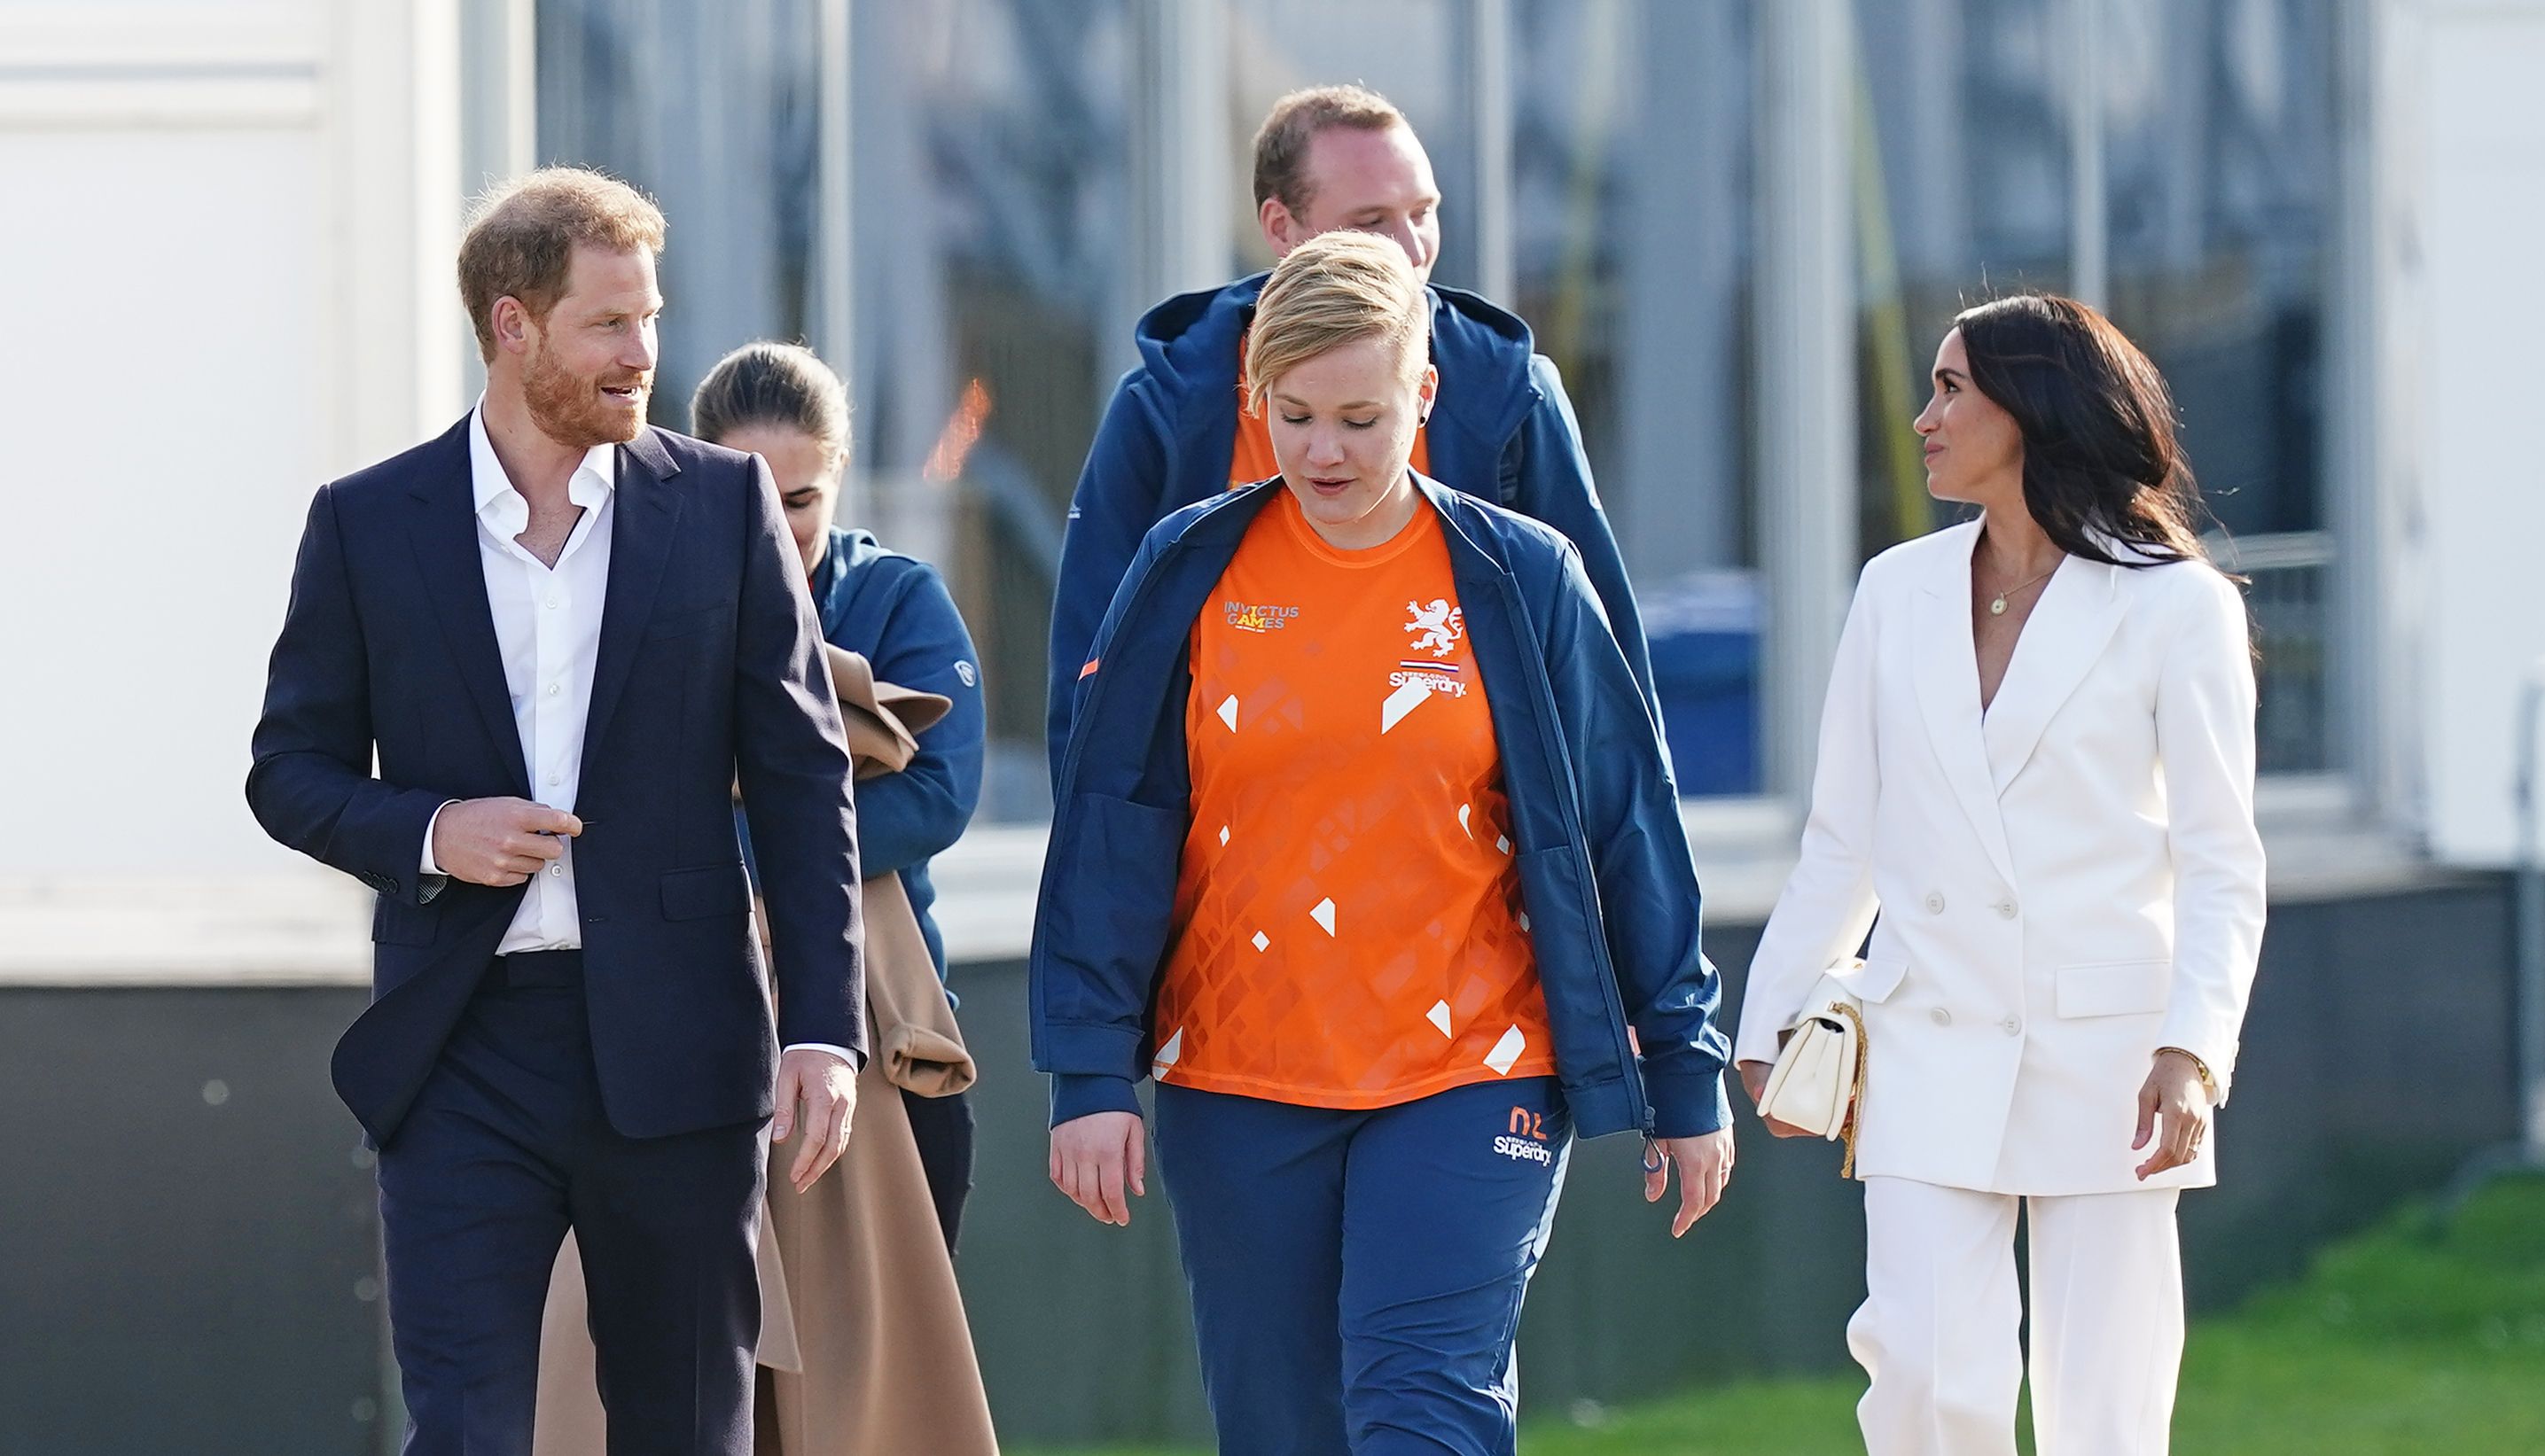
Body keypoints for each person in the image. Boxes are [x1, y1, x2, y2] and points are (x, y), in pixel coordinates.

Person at [1033, 232, 1734, 1456]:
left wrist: (1681, 1059)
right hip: (1237, 1078)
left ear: (1425, 393)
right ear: (1255, 397)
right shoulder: (1187, 565)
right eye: (1294, 414)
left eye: (1360, 418)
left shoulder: (1522, 574)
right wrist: (1087, 1071)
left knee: (1425, 1410)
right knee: (1282, 1428)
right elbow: (1113, 821)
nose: (1324, 451)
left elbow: (1623, 817)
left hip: (1474, 1067)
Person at [246, 168, 863, 1456]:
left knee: (686, 1428)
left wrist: (823, 1027)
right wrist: (432, 830)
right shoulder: (368, 523)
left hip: (682, 1041)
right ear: (512, 324)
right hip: (461, 1045)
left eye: (650, 319)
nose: (644, 355)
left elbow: (803, 779)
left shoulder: (722, 506)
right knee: (466, 1429)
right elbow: (289, 768)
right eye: (608, 324)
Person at [1732, 293, 2268, 1456]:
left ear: (2032, 407)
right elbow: (1844, 836)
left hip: (2112, 1052)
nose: (1921, 417)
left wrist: (2192, 1047)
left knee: (2104, 1409)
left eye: (1950, 388)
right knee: (1922, 1376)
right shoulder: (1894, 589)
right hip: (1925, 1028)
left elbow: (2221, 858)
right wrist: (1770, 1012)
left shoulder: (2178, 605)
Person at [1046, 82, 1658, 783]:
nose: (1411, 248)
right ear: (1281, 227)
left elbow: (1606, 679)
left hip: (1465, 836)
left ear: (1424, 395)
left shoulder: (1512, 393)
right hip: (1229, 837)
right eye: (1372, 222)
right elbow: (1093, 679)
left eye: (1423, 212)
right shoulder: (1164, 407)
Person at [693, 341, 988, 1252]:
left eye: (800, 501)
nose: (776, 529)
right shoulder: (655, 604)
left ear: (841, 475)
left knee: (895, 1313)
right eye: (750, 499)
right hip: (702, 1017)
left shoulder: (899, 600)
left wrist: (736, 854)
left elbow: (938, 794)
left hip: (884, 1018)